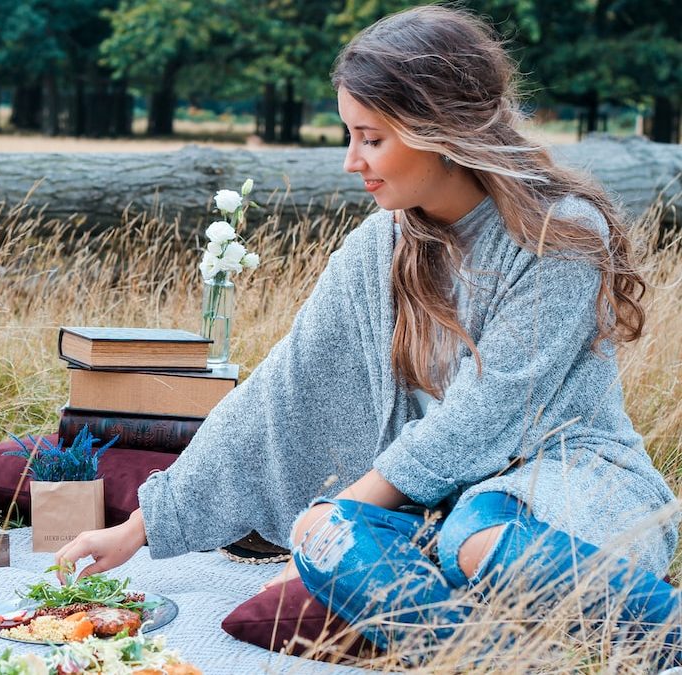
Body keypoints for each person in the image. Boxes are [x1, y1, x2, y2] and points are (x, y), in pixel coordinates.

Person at [57, 4, 680, 662]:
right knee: (324, 531)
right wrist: (140, 526)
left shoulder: (560, 235)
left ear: (440, 129)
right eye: (348, 135)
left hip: (572, 487)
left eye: (371, 137)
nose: (352, 160)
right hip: (443, 508)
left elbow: (483, 415)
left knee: (470, 532)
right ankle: (488, 657)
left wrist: (340, 519)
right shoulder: (378, 246)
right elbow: (280, 390)